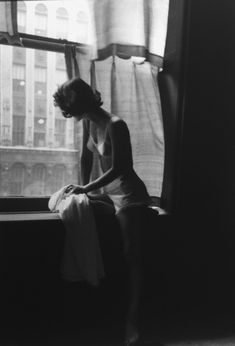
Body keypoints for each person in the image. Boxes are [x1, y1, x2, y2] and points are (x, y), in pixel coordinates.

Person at [53, 77, 154, 345]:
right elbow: (87, 156)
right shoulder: (88, 120)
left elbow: (120, 167)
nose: (72, 116)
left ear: (82, 103)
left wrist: (86, 188)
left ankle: (133, 321)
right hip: (109, 194)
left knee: (133, 256)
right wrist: (82, 186)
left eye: (71, 110)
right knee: (76, 212)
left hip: (129, 195)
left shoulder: (116, 125)